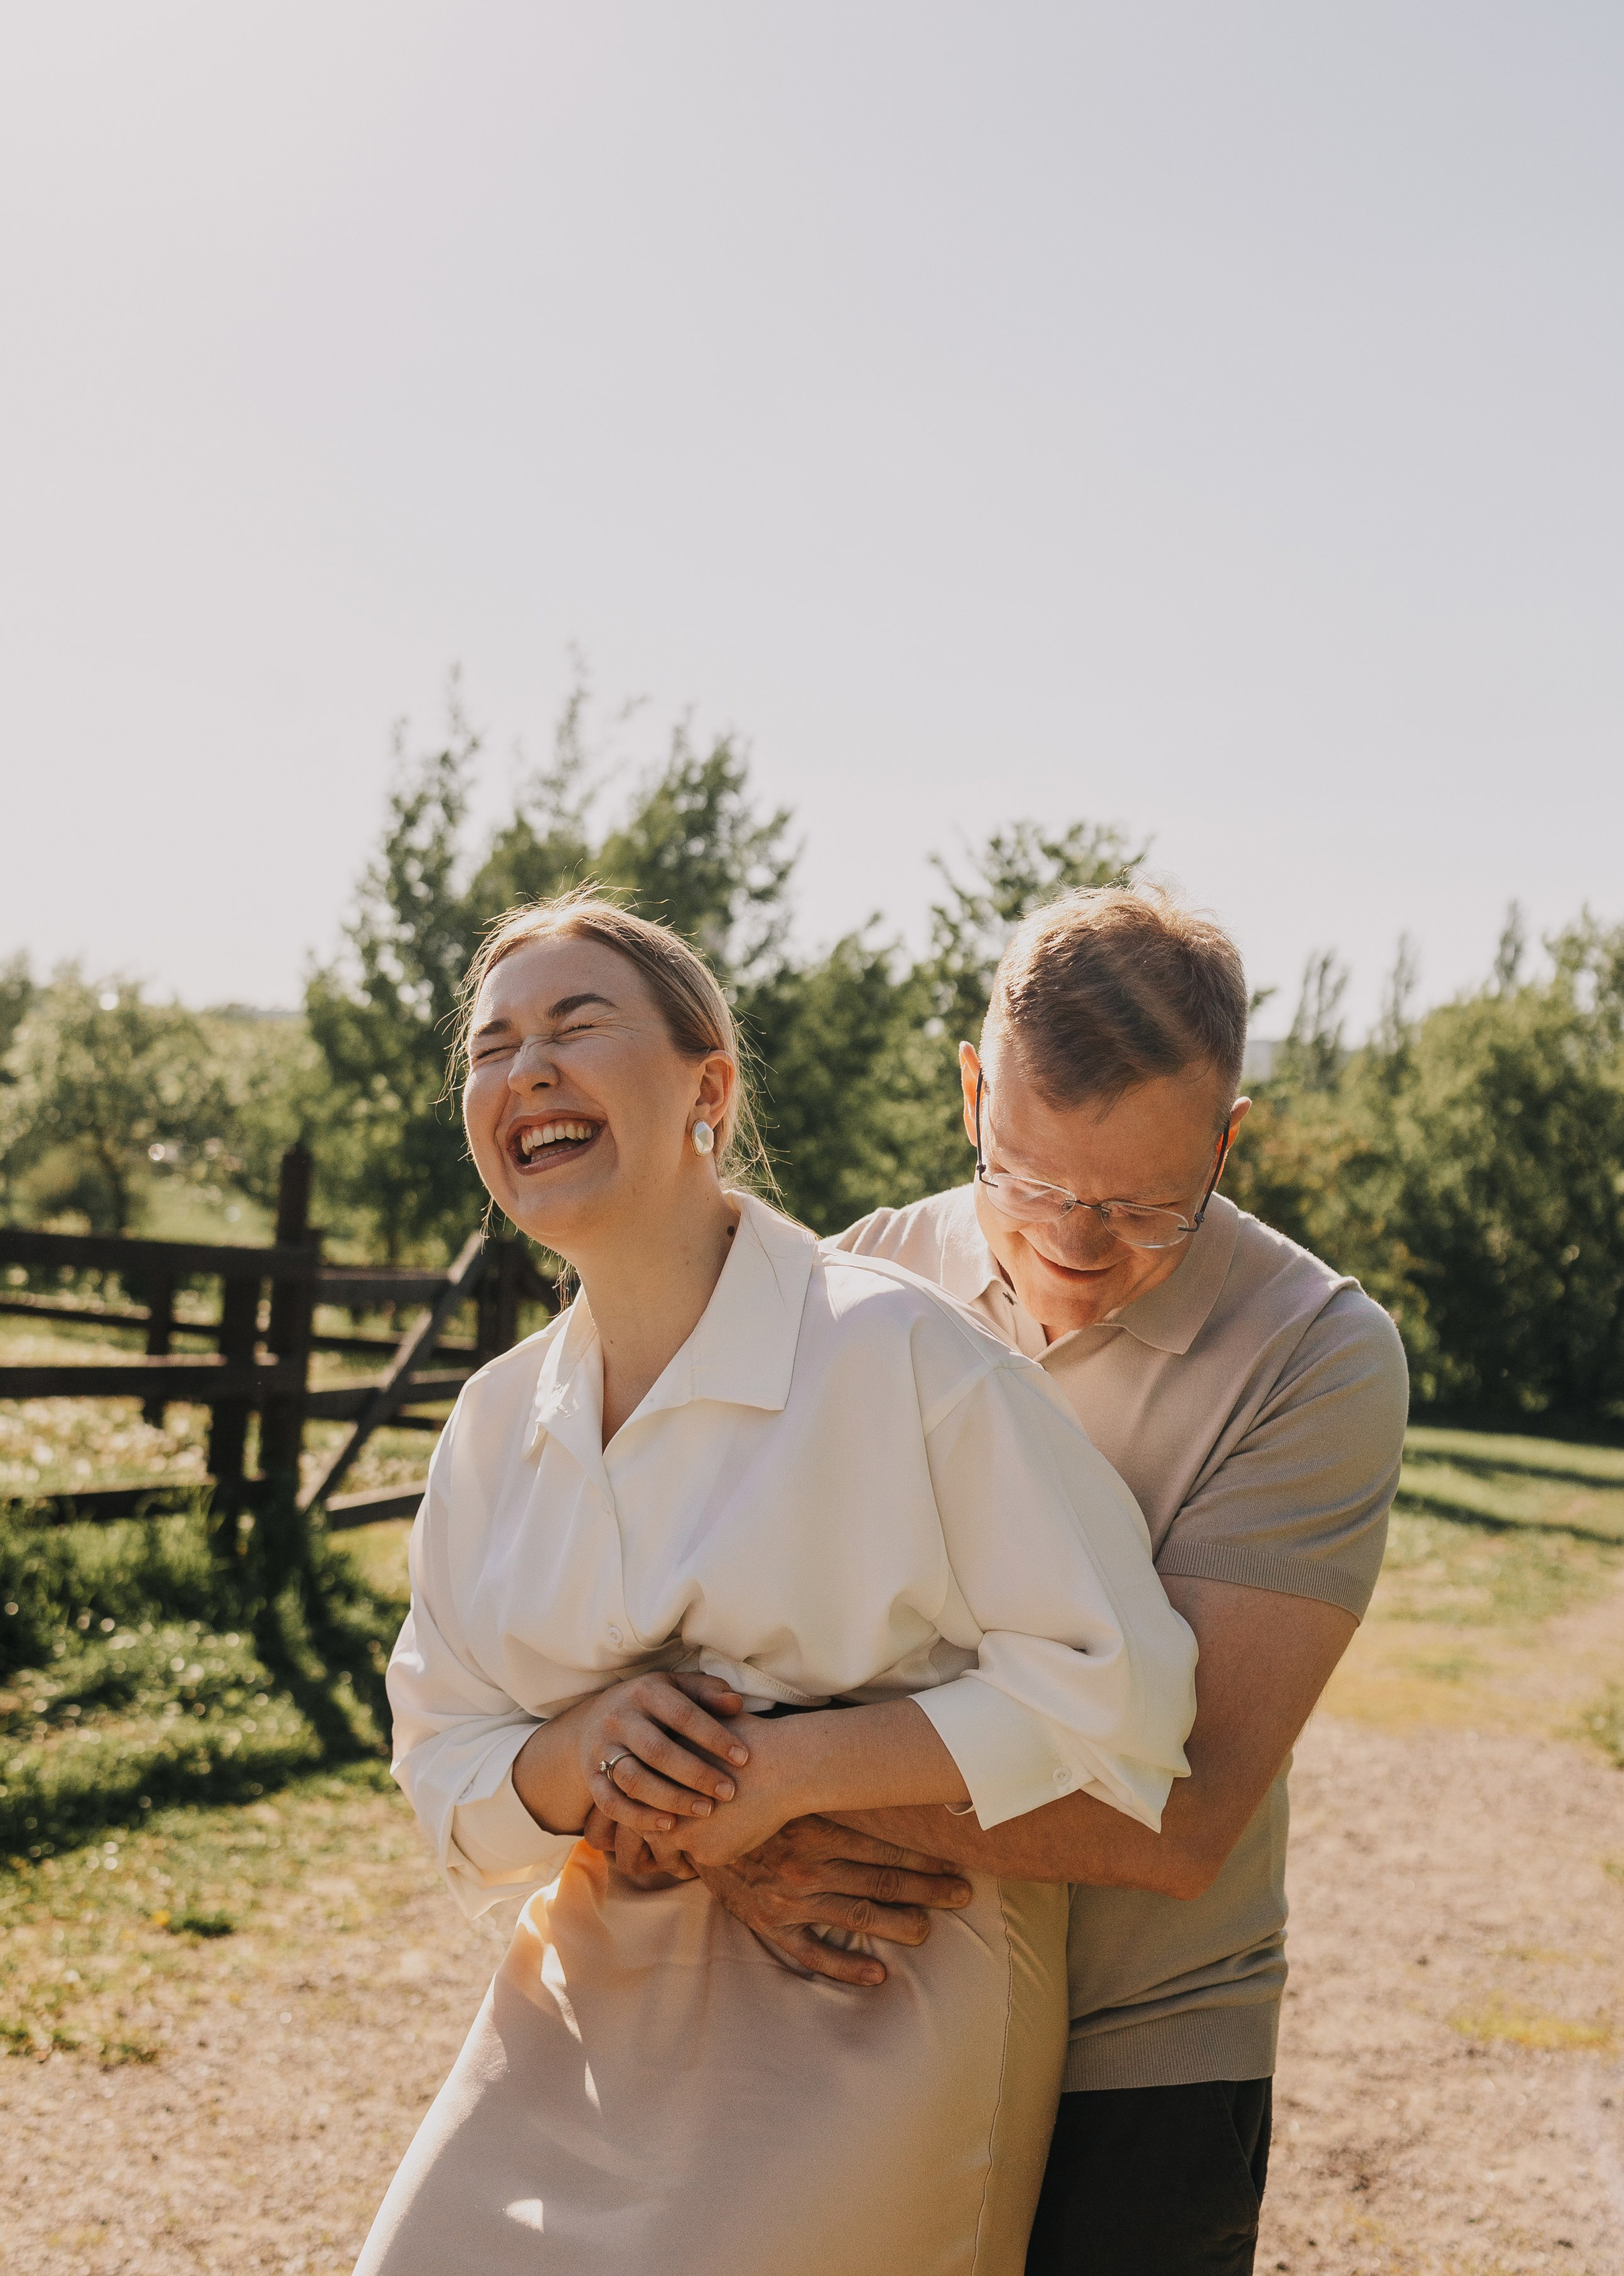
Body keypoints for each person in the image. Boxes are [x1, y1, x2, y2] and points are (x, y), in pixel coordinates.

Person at [353, 893, 1198, 2276]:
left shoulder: (898, 1358)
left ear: (708, 1084)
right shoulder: (494, 1424)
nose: (527, 1071)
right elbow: (446, 1766)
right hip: (583, 1987)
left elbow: (1126, 1696)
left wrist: (786, 1773)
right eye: (492, 1047)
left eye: (576, 1024)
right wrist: (581, 1752)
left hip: (875, 1976)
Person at [659, 886, 1410, 2276]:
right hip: (866, 2001)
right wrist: (744, 1841)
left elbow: (1179, 1811)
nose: (1071, 1246)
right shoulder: (855, 1278)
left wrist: (789, 1790)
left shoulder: (1316, 1356)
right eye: (1027, 1183)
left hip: (1143, 2042)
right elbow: (730, 1618)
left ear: (1227, 1139)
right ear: (968, 1092)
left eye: (1141, 1208)